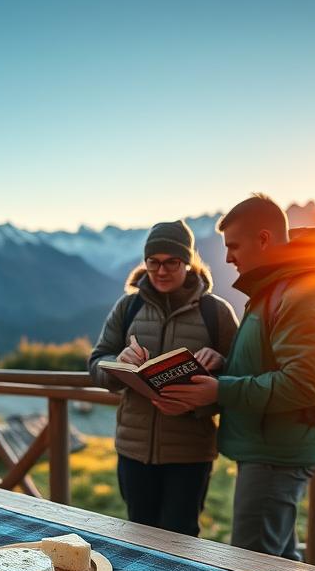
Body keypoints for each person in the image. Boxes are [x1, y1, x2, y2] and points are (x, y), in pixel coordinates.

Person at [161, 195, 315, 560]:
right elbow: (269, 363)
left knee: (253, 567)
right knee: (278, 562)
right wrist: (222, 364)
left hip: (275, 455)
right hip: (270, 450)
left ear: (264, 239)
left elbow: (303, 384)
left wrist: (221, 389)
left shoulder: (300, 295)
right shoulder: (275, 291)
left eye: (234, 246)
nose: (228, 257)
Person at [89, 220, 238, 537]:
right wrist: (117, 362)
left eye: (172, 262)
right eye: (153, 262)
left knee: (181, 537)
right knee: (139, 535)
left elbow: (238, 380)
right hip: (134, 450)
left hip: (189, 452)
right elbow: (95, 361)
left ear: (188, 262)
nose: (161, 270)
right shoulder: (128, 307)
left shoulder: (217, 312)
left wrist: (220, 365)